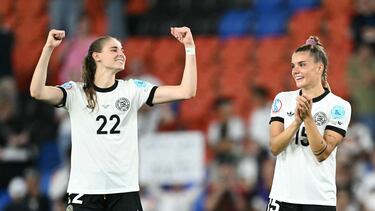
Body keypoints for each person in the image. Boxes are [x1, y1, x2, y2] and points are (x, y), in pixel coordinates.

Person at [29, 27, 197, 211]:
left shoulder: (133, 89)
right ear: (96, 56)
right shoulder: (76, 92)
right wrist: (48, 48)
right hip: (85, 190)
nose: (121, 53)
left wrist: (189, 47)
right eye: (114, 49)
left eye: (122, 50)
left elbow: (186, 91)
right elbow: (37, 91)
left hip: (124, 190)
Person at [268, 36, 351, 210]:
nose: (295, 70)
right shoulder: (283, 99)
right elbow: (275, 147)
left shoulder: (339, 106)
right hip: (282, 197)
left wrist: (308, 119)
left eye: (302, 64)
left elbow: (322, 154)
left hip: (318, 200)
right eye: (293, 65)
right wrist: (296, 123)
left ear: (319, 68)